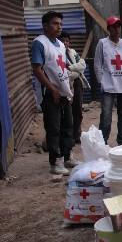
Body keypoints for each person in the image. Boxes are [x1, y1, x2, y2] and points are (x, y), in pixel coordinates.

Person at [31, 11, 77, 175]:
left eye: (61, 24)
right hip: (50, 93)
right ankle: (55, 162)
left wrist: (69, 88)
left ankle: (67, 156)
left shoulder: (61, 44)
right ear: (45, 26)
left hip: (64, 91)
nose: (59, 27)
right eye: (55, 24)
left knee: (68, 125)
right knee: (53, 128)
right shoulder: (40, 43)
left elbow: (63, 68)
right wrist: (52, 89)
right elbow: (37, 69)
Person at [94, 16, 122, 145]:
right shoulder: (102, 43)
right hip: (108, 85)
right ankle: (101, 143)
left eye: (118, 26)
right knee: (106, 117)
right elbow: (97, 64)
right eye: (113, 27)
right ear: (108, 29)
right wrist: (101, 82)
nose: (116, 29)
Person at [59, 31, 87, 145]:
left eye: (67, 41)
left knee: (78, 110)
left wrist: (70, 67)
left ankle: (77, 134)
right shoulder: (57, 54)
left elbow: (82, 65)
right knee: (67, 112)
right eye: (62, 40)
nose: (65, 43)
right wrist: (75, 72)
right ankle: (68, 137)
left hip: (77, 84)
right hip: (65, 85)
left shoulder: (73, 52)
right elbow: (63, 73)